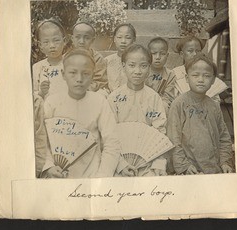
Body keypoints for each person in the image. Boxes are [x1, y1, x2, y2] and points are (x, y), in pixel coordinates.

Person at [41, 49, 121, 178]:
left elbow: (111, 142)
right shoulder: (52, 102)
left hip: (92, 173)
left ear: (93, 75)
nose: (79, 79)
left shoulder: (100, 102)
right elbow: (42, 140)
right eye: (72, 73)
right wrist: (49, 165)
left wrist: (102, 175)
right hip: (57, 173)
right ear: (63, 74)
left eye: (86, 73)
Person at [167, 54, 234, 175]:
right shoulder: (179, 104)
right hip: (190, 171)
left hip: (213, 169)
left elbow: (224, 137)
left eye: (207, 76)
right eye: (195, 75)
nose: (201, 79)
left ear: (213, 80)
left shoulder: (214, 106)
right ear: (187, 78)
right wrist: (184, 165)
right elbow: (173, 138)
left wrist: (225, 162)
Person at [108, 44, 168, 177]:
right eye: (132, 65)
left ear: (149, 68)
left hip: (148, 160)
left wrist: (157, 163)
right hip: (118, 158)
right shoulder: (114, 98)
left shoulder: (154, 98)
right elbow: (109, 135)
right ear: (123, 67)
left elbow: (160, 132)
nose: (137, 71)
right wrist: (121, 164)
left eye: (143, 66)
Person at [173, 35, 227, 102]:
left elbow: (215, 95)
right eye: (190, 51)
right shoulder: (175, 73)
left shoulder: (207, 70)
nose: (195, 54)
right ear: (182, 54)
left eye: (198, 51)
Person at [32, 18, 68, 99]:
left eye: (56, 40)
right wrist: (41, 92)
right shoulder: (37, 68)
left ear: (64, 41)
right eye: (46, 42)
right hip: (47, 108)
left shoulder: (71, 64)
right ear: (40, 45)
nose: (52, 46)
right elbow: (33, 95)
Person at [71, 22, 109, 93]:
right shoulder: (66, 58)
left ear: (92, 40)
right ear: (72, 38)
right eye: (78, 37)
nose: (81, 41)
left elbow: (99, 81)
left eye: (87, 38)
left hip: (90, 91)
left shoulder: (97, 58)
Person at [146, 37, 176, 114]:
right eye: (154, 53)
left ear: (167, 55)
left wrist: (157, 102)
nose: (158, 57)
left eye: (162, 54)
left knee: (165, 106)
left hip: (161, 102)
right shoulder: (144, 71)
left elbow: (168, 95)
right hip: (144, 100)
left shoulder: (170, 74)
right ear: (148, 55)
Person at [105, 23, 136, 92]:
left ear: (134, 40)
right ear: (114, 39)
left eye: (128, 38)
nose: (123, 41)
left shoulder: (137, 62)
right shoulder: (107, 61)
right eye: (119, 37)